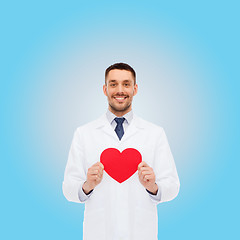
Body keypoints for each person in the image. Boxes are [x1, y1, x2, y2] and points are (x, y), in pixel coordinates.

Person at [62, 63, 180, 240]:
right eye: (113, 84)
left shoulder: (155, 133)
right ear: (105, 89)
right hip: (99, 233)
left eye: (126, 84)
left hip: (141, 233)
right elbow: (68, 188)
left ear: (135, 88)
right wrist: (87, 185)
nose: (120, 90)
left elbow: (172, 186)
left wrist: (153, 187)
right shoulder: (84, 133)